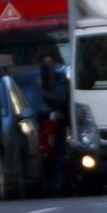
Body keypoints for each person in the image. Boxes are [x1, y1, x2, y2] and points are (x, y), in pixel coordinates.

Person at [33, 55, 74, 194]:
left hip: (57, 125)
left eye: (50, 64)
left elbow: (62, 97)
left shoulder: (60, 79)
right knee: (47, 156)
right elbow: (38, 99)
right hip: (41, 124)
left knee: (59, 154)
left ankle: (56, 184)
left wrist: (58, 113)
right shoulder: (36, 81)